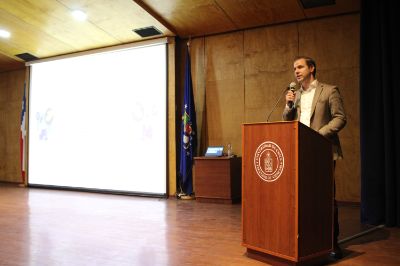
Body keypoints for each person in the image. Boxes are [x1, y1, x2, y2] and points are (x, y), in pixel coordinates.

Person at [283, 56, 347, 260]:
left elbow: (340, 118)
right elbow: (287, 119)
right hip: (300, 150)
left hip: (323, 149)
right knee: (303, 197)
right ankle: (309, 241)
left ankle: (332, 242)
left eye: (300, 67)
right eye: (294, 68)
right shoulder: (296, 95)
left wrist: (319, 134)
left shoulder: (329, 90)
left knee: (326, 197)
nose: (296, 71)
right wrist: (289, 105)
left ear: (312, 68)